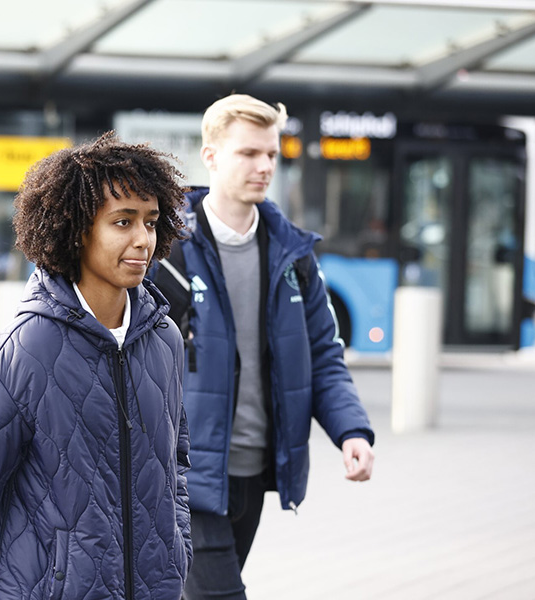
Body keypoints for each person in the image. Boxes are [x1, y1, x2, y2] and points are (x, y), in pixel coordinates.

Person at [0, 132, 193, 600]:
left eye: (150, 222)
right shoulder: (24, 347)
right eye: (123, 221)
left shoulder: (165, 339)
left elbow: (177, 465)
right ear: (77, 229)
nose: (142, 239)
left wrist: (177, 548)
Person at [149, 94, 375, 599]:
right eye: (248, 153)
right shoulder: (167, 252)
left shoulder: (293, 255)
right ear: (210, 156)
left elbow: (323, 354)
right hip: (184, 474)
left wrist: (351, 430)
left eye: (272, 153)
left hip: (253, 468)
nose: (264, 166)